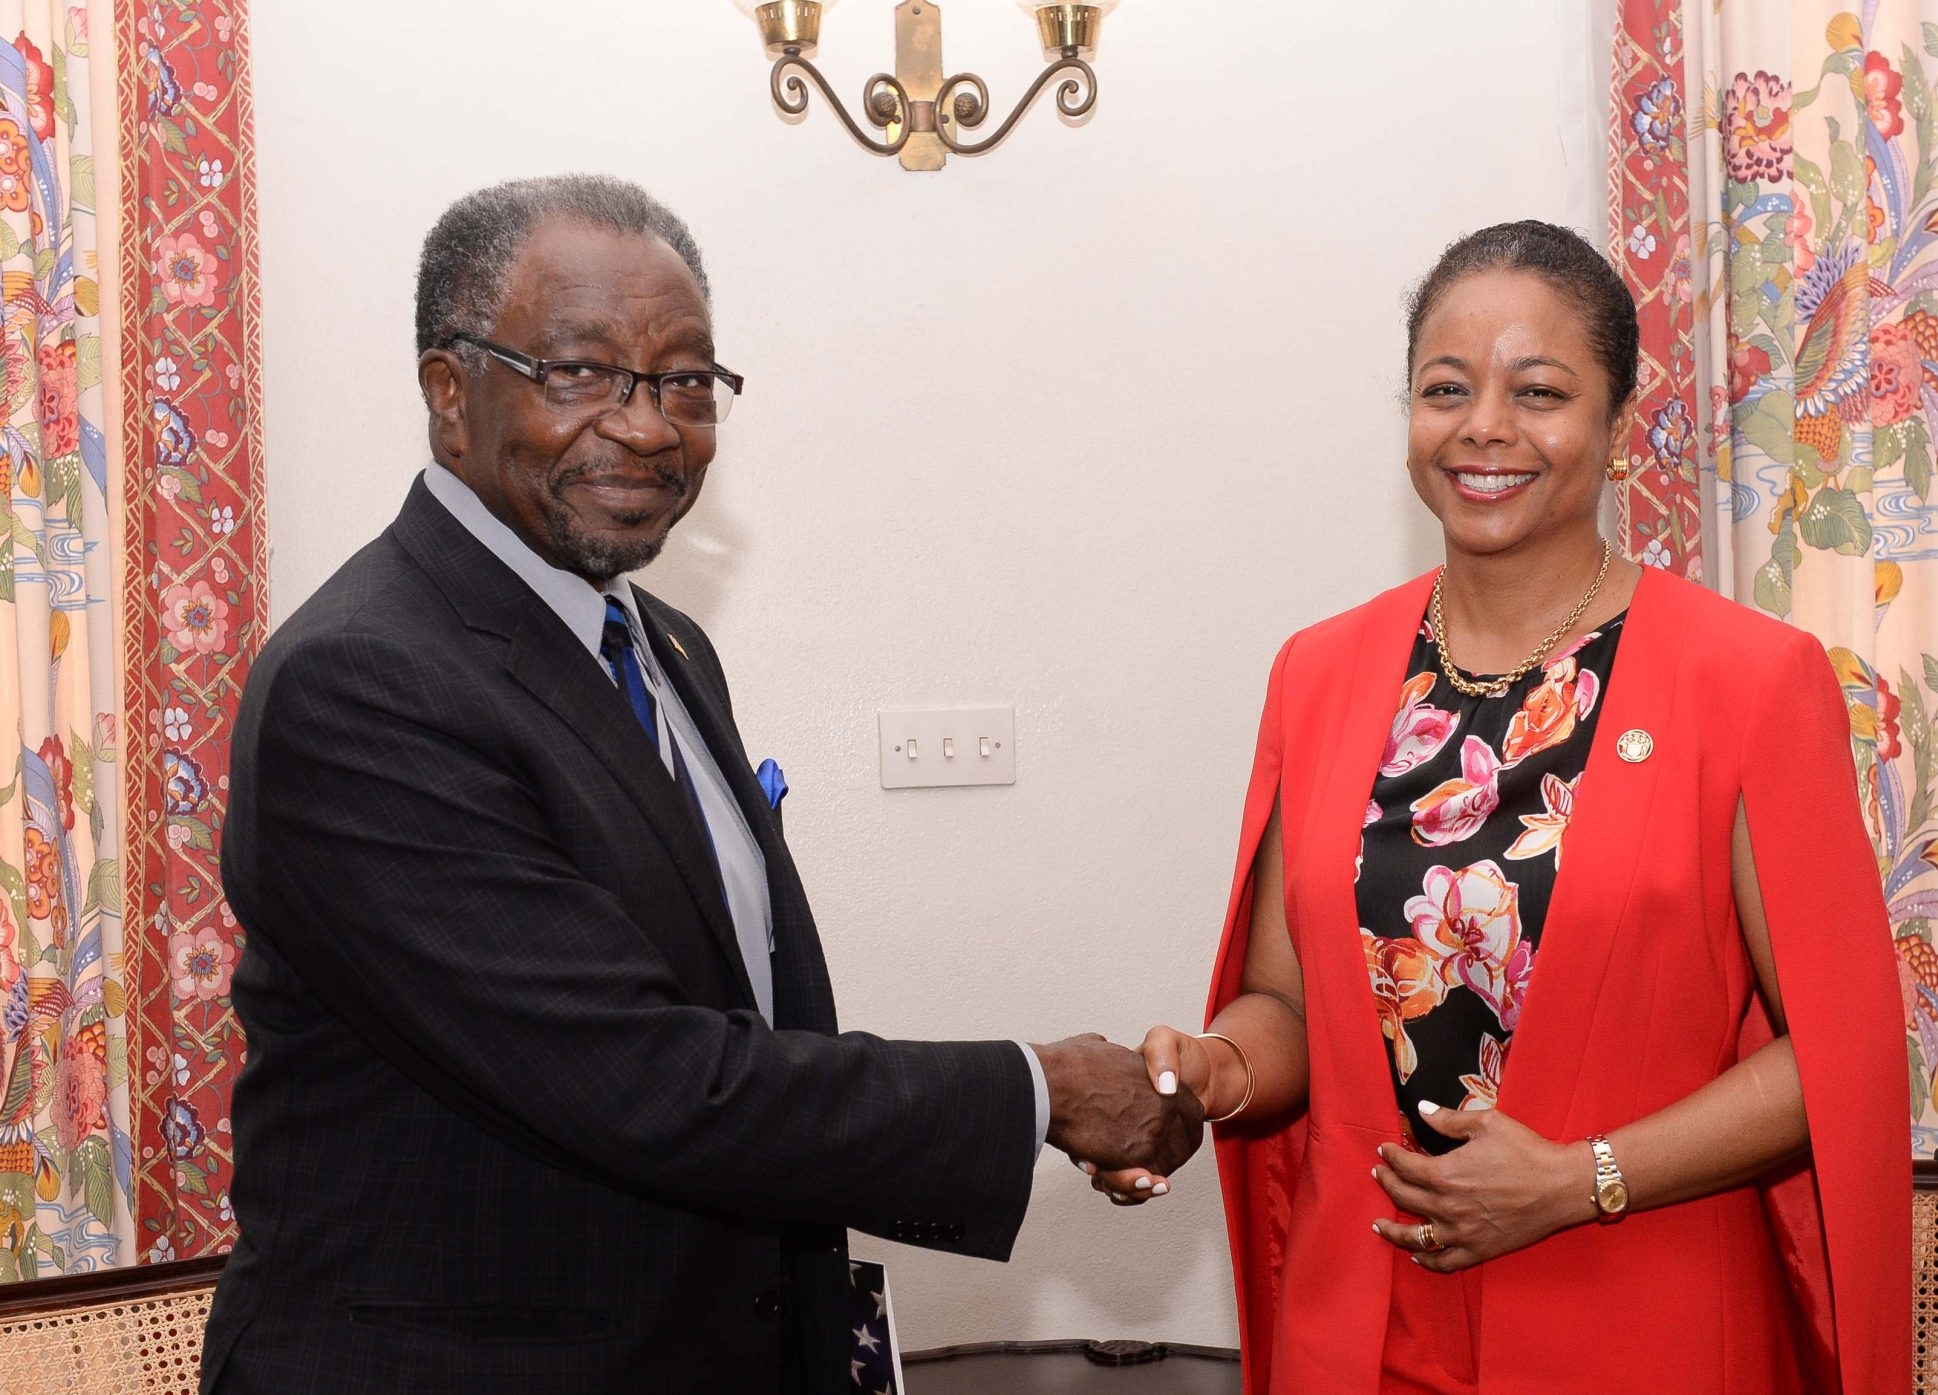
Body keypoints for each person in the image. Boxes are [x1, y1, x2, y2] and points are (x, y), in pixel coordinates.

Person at [199, 174, 1201, 1395]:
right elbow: (648, 1078)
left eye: (684, 381)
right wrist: (1038, 1091)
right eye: (578, 372)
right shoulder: (363, 683)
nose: (646, 425)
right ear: (448, 394)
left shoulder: (663, 645)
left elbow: (742, 1029)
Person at [1086, 222, 1909, 1394]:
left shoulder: (1748, 680)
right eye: (1443, 389)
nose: (1483, 427)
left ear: (1616, 428)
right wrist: (1209, 1070)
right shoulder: (1317, 673)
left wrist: (1585, 1177)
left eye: (1538, 392)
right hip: (1364, 1327)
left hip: (1640, 1319)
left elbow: (1838, 1046)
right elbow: (1285, 1001)